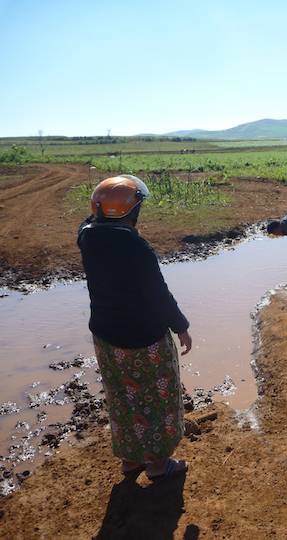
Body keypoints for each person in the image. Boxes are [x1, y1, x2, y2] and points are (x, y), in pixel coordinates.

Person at [77, 174, 192, 481]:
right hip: (144, 338)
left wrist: (103, 206)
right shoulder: (136, 248)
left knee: (122, 397)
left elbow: (92, 219)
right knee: (158, 399)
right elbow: (158, 294)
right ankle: (157, 464)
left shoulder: (86, 236)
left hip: (105, 336)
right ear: (133, 212)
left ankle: (130, 459)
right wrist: (181, 325)